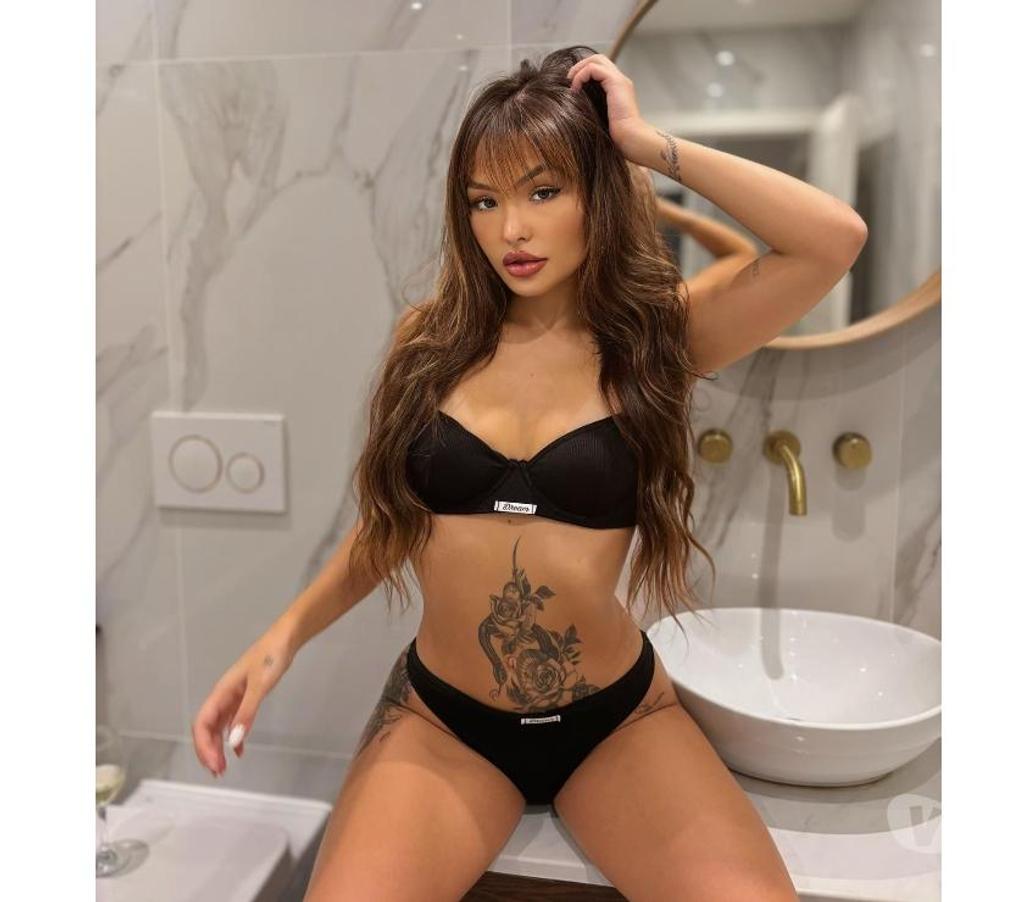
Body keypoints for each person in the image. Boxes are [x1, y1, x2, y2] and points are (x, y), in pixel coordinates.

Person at [192, 46, 866, 901]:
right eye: (485, 200)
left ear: (598, 193)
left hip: (615, 726)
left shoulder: (655, 342)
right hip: (446, 725)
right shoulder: (430, 342)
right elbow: (393, 525)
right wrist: (281, 637)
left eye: (543, 192)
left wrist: (644, 144)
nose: (510, 228)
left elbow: (831, 242)